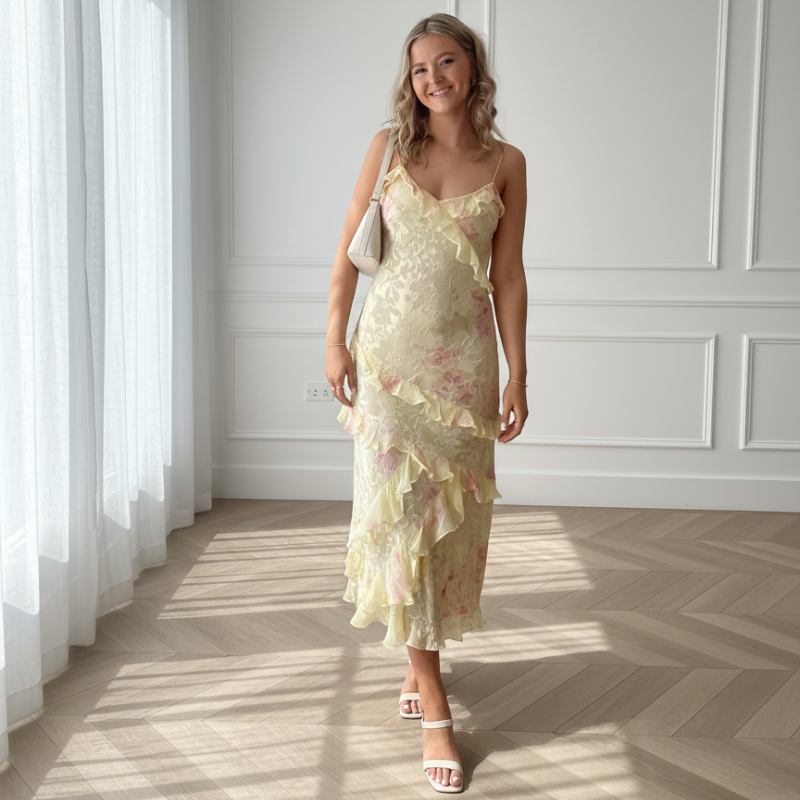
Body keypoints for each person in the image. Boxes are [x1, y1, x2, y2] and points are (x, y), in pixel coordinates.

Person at [325, 12, 528, 794]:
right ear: (408, 81)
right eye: (420, 69)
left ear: (473, 70)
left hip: (464, 371)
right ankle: (434, 700)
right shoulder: (389, 148)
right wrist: (334, 341)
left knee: (447, 530)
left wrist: (519, 372)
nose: (434, 79)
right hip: (387, 366)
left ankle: (418, 664)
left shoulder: (508, 162)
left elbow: (508, 275)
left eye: (447, 63)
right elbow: (347, 252)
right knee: (398, 518)